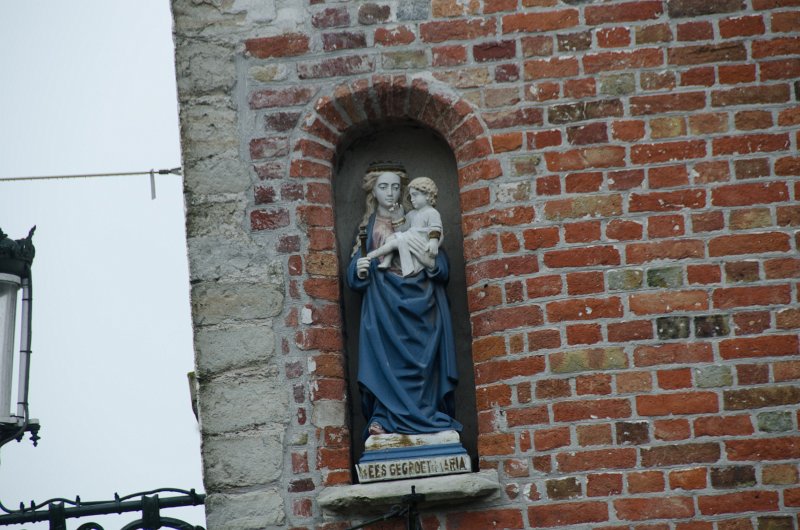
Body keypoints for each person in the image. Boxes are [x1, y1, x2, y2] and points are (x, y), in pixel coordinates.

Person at [346, 163, 462, 438]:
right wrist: (359, 269)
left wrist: (432, 265)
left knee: (426, 363)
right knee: (385, 362)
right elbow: (357, 264)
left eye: (396, 187)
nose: (390, 192)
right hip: (383, 306)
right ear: (373, 191)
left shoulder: (418, 218)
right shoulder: (368, 226)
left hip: (423, 302)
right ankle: (384, 419)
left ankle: (430, 415)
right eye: (384, 186)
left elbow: (440, 263)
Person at [366, 177, 443, 278]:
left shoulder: (432, 212)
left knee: (395, 242)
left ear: (428, 195)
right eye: (411, 196)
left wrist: (433, 242)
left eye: (415, 195)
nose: (412, 199)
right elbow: (402, 230)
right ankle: (387, 261)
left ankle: (373, 255)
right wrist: (397, 217)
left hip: (419, 243)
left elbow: (436, 228)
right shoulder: (412, 214)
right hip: (409, 239)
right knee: (391, 238)